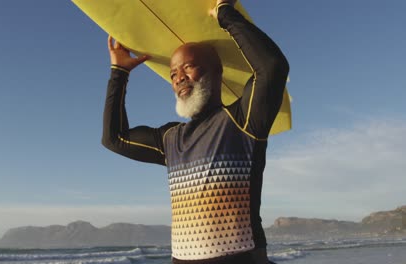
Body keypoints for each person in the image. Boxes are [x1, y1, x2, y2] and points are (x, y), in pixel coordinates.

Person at [102, 0, 289, 263]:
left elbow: (271, 68)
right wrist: (119, 73)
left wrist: (225, 13)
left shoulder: (242, 121)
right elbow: (114, 139)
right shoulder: (170, 139)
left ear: (216, 71)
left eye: (187, 67)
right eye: (173, 73)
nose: (178, 77)